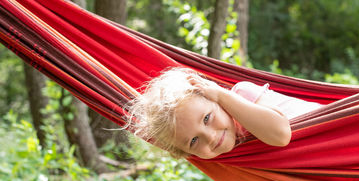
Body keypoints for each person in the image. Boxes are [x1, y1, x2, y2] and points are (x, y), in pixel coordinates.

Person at [127, 67, 321, 159]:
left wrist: (223, 96)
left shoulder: (242, 95)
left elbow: (280, 134)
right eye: (193, 141)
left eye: (206, 118)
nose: (210, 137)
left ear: (215, 99)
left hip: (338, 129)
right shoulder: (228, 157)